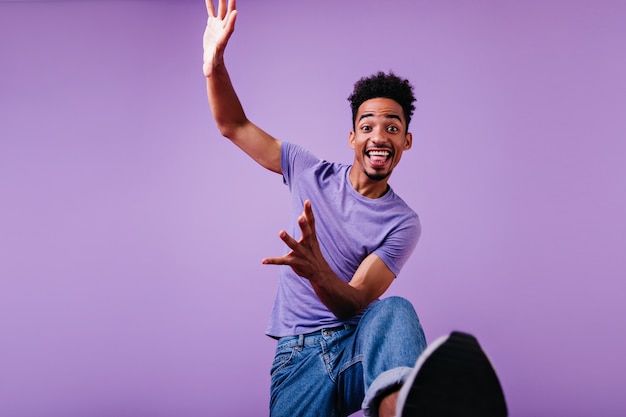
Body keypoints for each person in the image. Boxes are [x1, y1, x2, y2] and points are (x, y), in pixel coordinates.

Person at [202, 1, 508, 416]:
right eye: (367, 126)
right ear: (352, 137)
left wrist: (317, 271)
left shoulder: (402, 222)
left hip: (355, 349)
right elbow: (233, 125)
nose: (379, 136)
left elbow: (356, 300)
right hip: (298, 361)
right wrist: (214, 66)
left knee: (394, 310)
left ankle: (400, 408)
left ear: (406, 141)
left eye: (392, 127)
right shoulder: (310, 172)